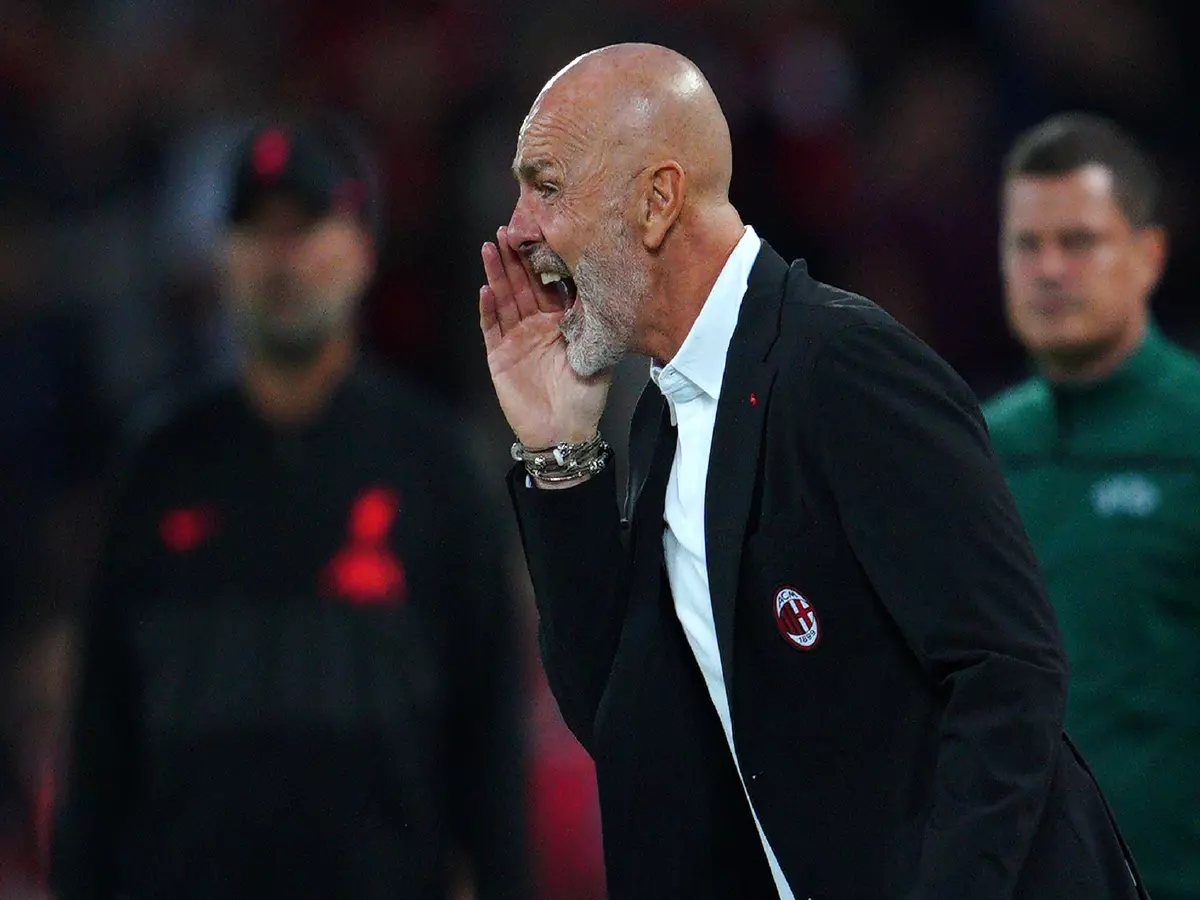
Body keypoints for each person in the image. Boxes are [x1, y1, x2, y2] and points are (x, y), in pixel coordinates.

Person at [478, 44, 1148, 900]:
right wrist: (559, 455)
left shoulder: (844, 367)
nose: (517, 227)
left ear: (656, 202)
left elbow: (1008, 675)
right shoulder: (667, 418)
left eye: (548, 186)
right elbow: (628, 723)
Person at [51, 116, 530, 900]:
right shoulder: (158, 467)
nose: (282, 259)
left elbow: (489, 754)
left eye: (305, 229)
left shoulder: (437, 470)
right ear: (223, 261)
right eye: (257, 231)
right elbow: (101, 746)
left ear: (362, 250)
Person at [984, 112, 1200, 900]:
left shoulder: (1191, 435)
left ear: (1148, 256)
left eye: (1078, 242)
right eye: (1026, 244)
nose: (1048, 270)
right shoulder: (979, 449)